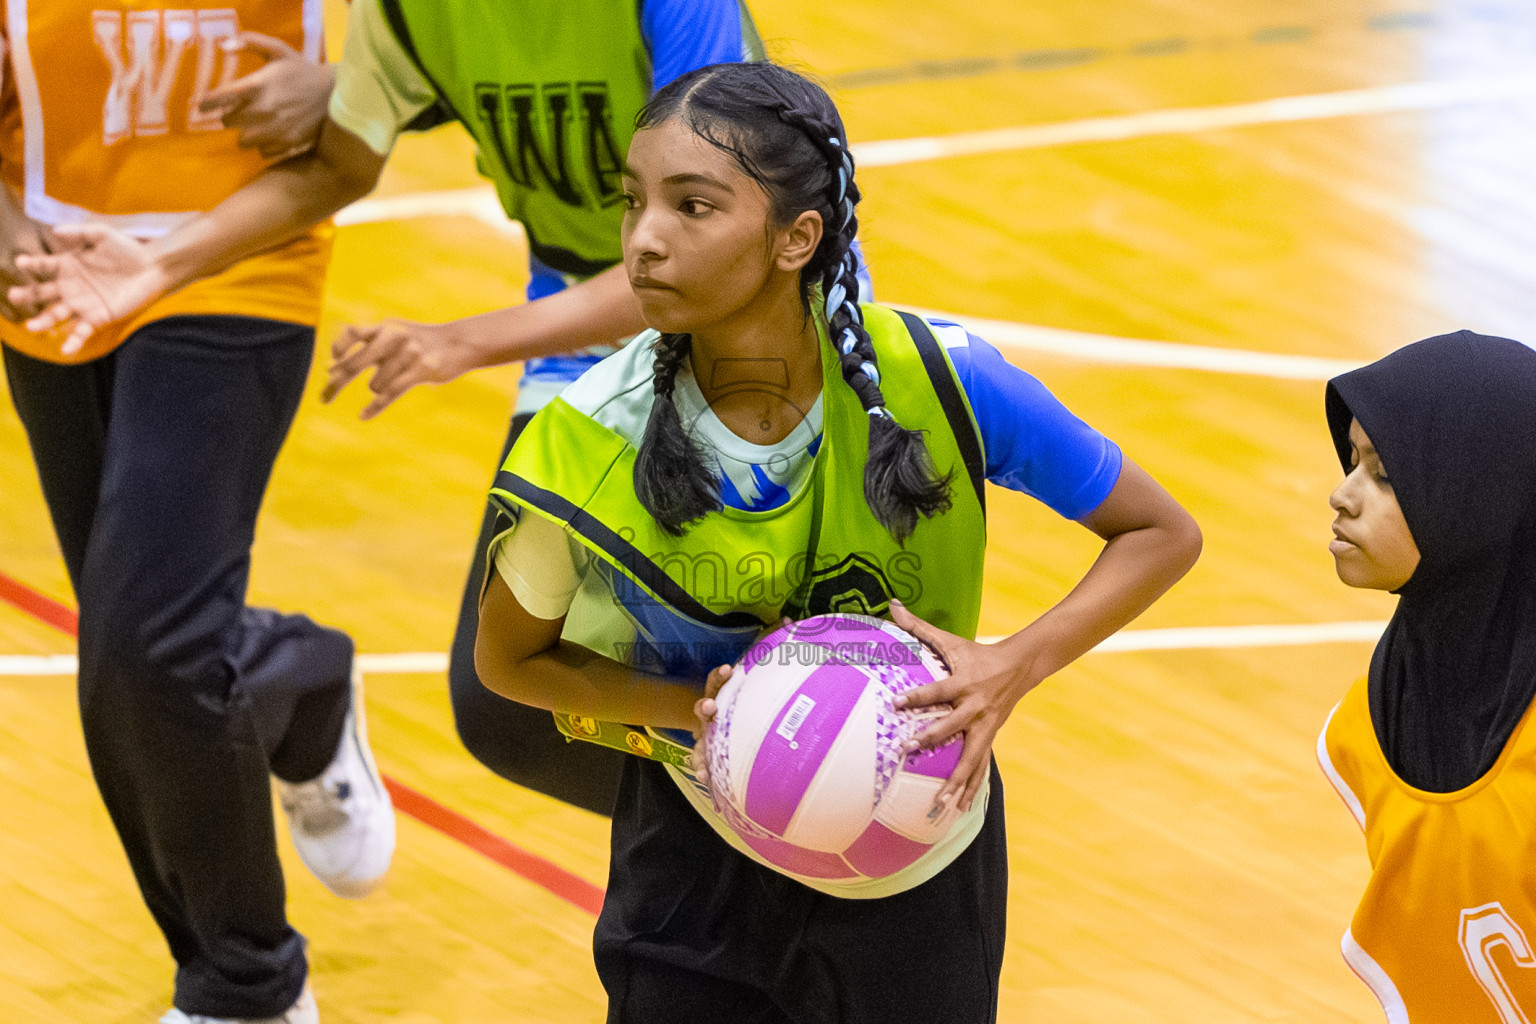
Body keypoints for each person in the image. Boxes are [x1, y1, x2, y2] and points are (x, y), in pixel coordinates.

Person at [471, 62, 1203, 1022]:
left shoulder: (941, 380)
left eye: (693, 207)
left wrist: (1012, 664)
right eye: (634, 202)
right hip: (691, 860)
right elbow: (507, 660)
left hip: (920, 850)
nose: (644, 240)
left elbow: (1161, 531)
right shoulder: (583, 439)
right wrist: (695, 707)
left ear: (796, 238)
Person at [10, 0, 769, 817]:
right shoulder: (406, 10)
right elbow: (345, 160)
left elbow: (696, 247)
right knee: (507, 703)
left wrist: (461, 342)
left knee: (748, 637)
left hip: (754, 309)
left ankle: (789, 838)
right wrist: (158, 267)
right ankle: (741, 837)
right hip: (576, 316)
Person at [0, 7, 393, 1024]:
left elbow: (458, 36)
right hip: (50, 265)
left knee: (148, 652)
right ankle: (298, 674)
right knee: (125, 670)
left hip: (240, 257)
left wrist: (358, 87)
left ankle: (246, 986)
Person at [1317, 331, 1536, 1022]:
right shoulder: (1378, 717)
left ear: (1483, 499)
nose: (1341, 496)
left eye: (1385, 475)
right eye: (1354, 461)